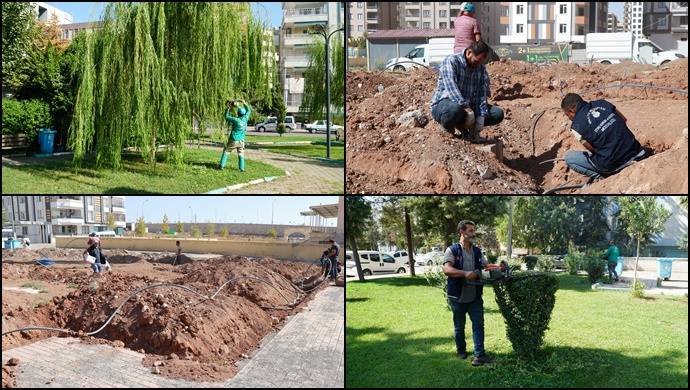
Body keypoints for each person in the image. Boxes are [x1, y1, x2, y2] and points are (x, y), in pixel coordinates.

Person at [443, 220, 505, 366]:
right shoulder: (452, 250)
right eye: (471, 231)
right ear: (462, 232)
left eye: (473, 230)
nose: (474, 233)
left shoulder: (477, 251)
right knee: (459, 326)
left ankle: (479, 355)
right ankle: (461, 349)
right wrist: (465, 273)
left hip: (475, 296)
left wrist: (499, 268)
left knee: (478, 324)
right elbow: (447, 269)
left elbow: (486, 266)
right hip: (458, 296)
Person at [431, 40, 504, 143]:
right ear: (469, 53)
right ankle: (448, 134)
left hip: (466, 108)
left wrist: (480, 115)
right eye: (477, 61)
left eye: (481, 63)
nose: (479, 65)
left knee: (497, 114)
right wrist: (468, 110)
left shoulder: (480, 67)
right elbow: (452, 88)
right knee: (453, 109)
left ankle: (468, 134)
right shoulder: (451, 61)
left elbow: (481, 92)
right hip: (445, 105)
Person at [561, 93, 646, 180]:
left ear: (572, 111)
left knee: (569, 158)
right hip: (637, 153)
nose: (569, 118)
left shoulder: (576, 126)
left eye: (567, 115)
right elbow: (623, 119)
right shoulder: (602, 103)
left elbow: (592, 149)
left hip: (614, 166)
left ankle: (606, 177)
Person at [217, 99, 251, 172]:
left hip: (233, 140)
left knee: (226, 151)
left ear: (238, 114)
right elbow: (248, 111)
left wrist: (228, 108)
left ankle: (221, 166)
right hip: (241, 141)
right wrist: (244, 103)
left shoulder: (235, 120)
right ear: (243, 114)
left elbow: (226, 117)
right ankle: (242, 169)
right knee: (241, 154)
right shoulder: (245, 118)